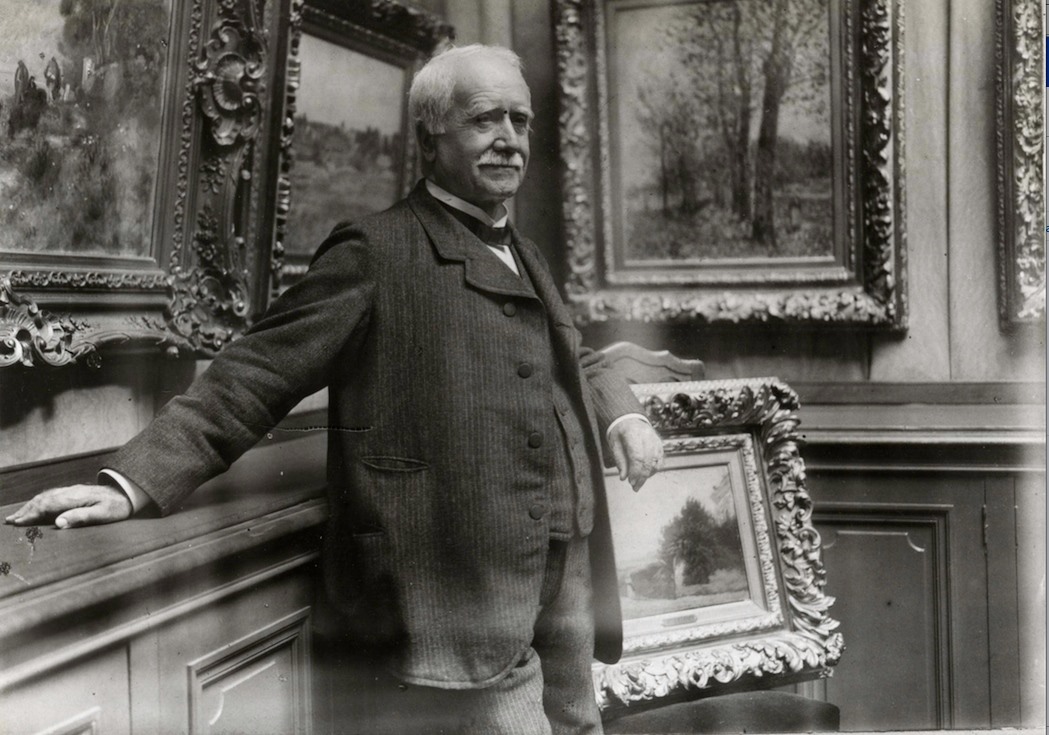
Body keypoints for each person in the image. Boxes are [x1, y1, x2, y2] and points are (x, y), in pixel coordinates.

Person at [6, 44, 664, 734]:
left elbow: (572, 354)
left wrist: (622, 416)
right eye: (484, 120)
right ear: (429, 139)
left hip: (567, 559)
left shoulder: (522, 251)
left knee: (578, 724)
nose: (509, 140)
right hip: (463, 576)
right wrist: (131, 483)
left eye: (518, 120)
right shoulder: (374, 252)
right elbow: (257, 370)